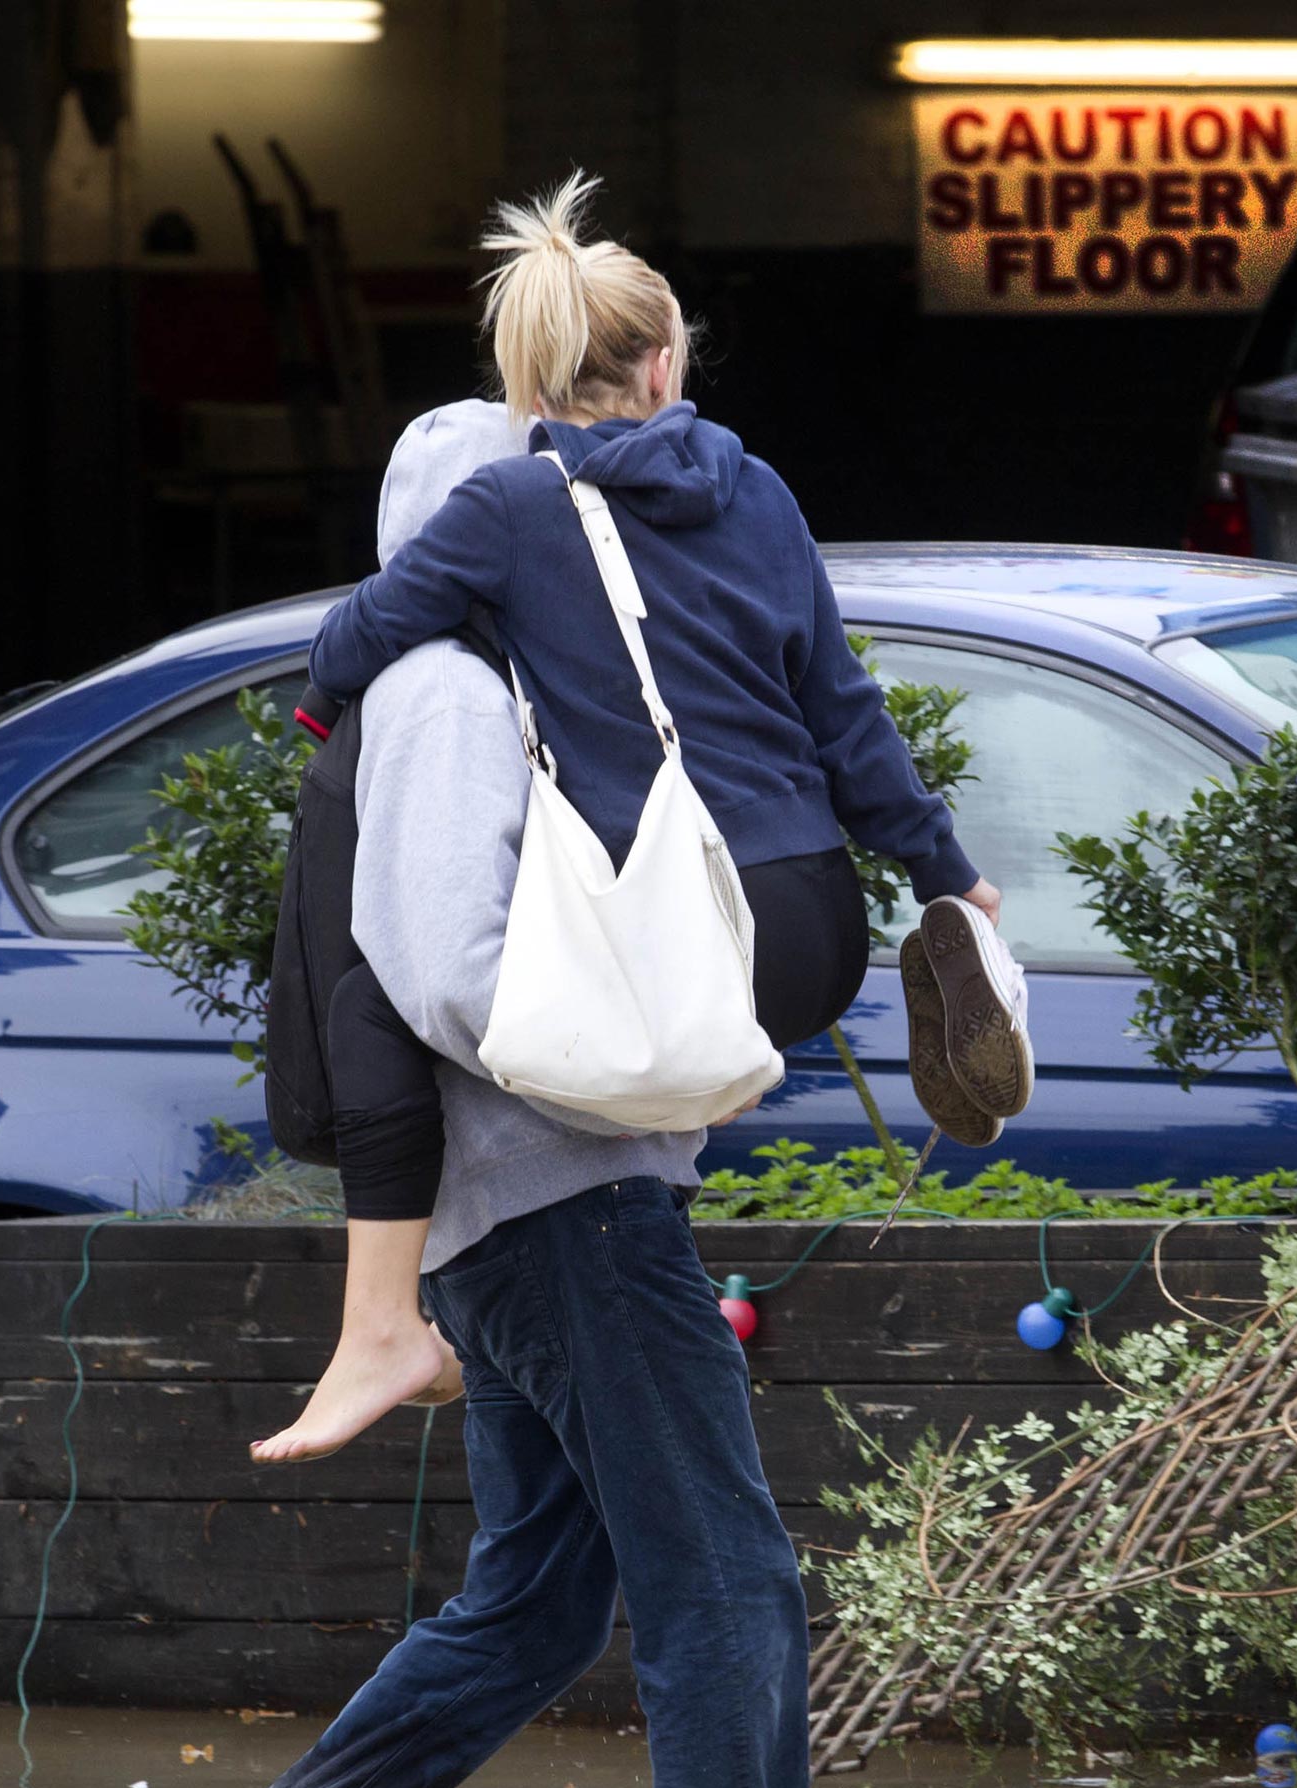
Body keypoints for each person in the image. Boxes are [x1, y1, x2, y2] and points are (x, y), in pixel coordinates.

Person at [135, 397, 807, 1788]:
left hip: (528, 1221)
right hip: (567, 1215)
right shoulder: (442, 691)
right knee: (727, 1579)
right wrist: (648, 1053)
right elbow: (446, 974)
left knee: (538, 1613)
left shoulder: (490, 677)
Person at [250, 170, 1023, 1469]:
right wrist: (948, 870)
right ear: (667, 367)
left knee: (384, 985)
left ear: (533, 390)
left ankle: (391, 1322)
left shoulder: (507, 507)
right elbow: (845, 716)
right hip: (811, 930)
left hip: (675, 925)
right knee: (639, 1050)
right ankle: (928, 970)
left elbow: (362, 632)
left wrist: (333, 734)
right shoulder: (761, 494)